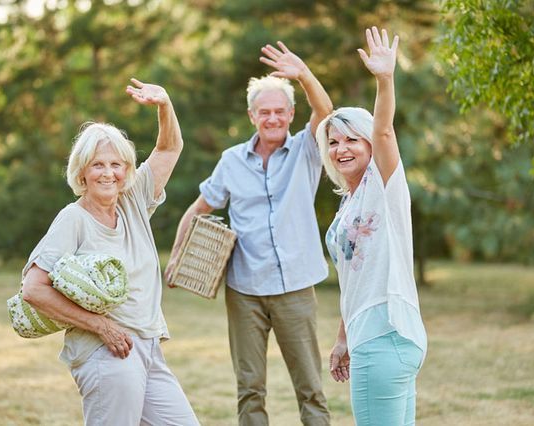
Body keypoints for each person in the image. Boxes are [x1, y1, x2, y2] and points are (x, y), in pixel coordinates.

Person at [165, 42, 332, 426]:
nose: (272, 118)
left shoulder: (308, 149)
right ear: (251, 116)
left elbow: (325, 112)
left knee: (310, 387)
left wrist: (304, 74)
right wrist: (176, 257)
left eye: (279, 111)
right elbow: (197, 209)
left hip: (295, 288)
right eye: (264, 112)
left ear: (291, 114)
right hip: (244, 291)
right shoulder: (231, 161)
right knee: (250, 388)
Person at [21, 78, 199, 426]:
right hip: (107, 352)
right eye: (98, 164)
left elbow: (168, 149)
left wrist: (165, 105)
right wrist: (100, 326)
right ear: (82, 172)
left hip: (147, 346)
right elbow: (33, 288)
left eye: (116, 164)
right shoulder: (73, 218)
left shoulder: (134, 200)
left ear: (127, 171)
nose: (108, 173)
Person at [317, 27, 428, 425]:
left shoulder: (382, 185)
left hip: (386, 334)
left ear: (368, 145)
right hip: (374, 336)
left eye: (352, 140)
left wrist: (385, 79)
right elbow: (354, 277)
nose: (341, 148)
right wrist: (344, 337)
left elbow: (384, 130)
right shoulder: (348, 202)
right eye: (333, 142)